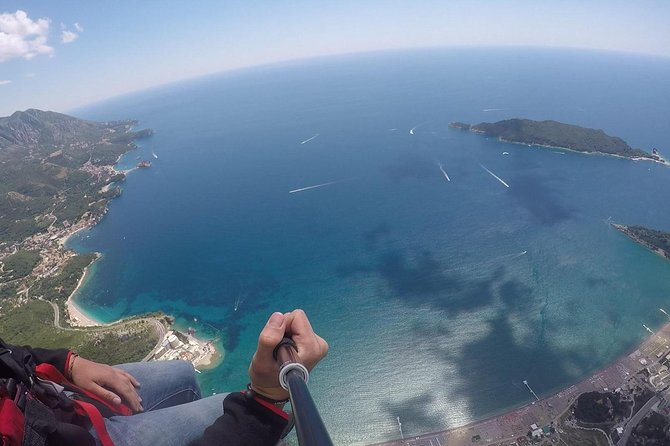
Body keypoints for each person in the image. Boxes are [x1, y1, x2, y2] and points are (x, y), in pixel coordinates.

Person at [0, 309, 328, 446]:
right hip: (70, 433)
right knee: (222, 410)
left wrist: (67, 362)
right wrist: (264, 402)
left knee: (183, 373)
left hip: (52, 398)